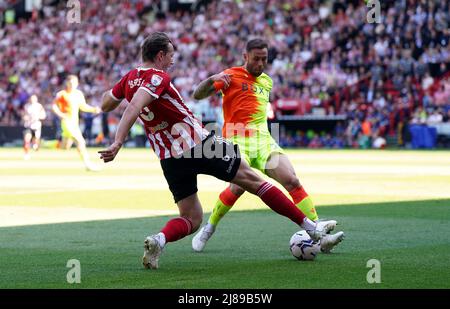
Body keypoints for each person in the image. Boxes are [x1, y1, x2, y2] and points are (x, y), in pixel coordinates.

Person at [98, 32, 343, 270]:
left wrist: (122, 92)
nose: (173, 61)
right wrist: (118, 142)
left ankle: (159, 240)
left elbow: (106, 103)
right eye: (171, 55)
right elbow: (134, 107)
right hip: (200, 144)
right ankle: (312, 229)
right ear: (160, 55)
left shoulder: (129, 78)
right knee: (255, 181)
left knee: (191, 218)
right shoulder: (157, 77)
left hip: (169, 158)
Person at [191, 38, 344, 253]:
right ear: (245, 57)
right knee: (238, 186)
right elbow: (197, 95)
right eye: (256, 59)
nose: (261, 64)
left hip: (263, 139)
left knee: (292, 180)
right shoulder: (230, 76)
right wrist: (211, 80)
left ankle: (319, 235)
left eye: (265, 59)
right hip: (236, 138)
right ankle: (209, 227)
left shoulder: (267, 82)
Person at [52, 75, 101, 171]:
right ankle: (88, 165)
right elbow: (54, 105)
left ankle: (44, 144)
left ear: (77, 84)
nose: (71, 85)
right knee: (81, 142)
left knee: (65, 146)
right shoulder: (62, 94)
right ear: (66, 83)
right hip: (66, 122)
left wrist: (93, 109)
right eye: (70, 83)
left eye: (74, 83)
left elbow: (83, 106)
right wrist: (60, 114)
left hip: (75, 123)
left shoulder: (78, 94)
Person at [22, 94, 46, 160]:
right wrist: (25, 118)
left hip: (36, 126)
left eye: (33, 98)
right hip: (28, 125)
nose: (32, 100)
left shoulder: (39, 106)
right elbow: (23, 115)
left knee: (36, 142)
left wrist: (38, 117)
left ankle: (36, 146)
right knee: (27, 139)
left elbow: (44, 115)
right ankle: (26, 154)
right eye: (31, 98)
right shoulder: (26, 106)